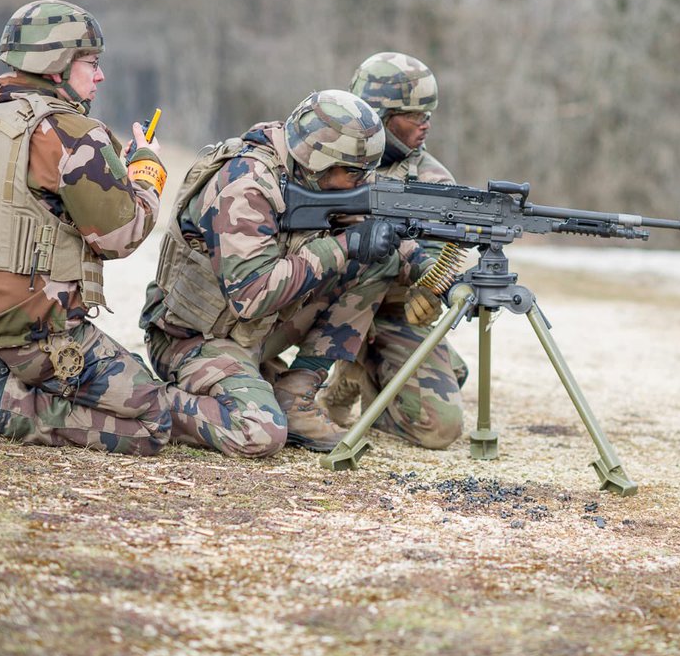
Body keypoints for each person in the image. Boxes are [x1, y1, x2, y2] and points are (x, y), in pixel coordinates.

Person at [0, 0, 217, 455]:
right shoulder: (73, 132)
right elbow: (122, 236)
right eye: (91, 63)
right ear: (56, 65)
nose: (99, 76)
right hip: (33, 330)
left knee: (125, 367)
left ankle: (3, 372)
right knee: (155, 418)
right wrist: (146, 174)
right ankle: (2, 401)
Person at [139, 89, 420, 454]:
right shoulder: (247, 184)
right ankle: (140, 400)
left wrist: (432, 272)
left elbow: (371, 221)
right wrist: (342, 246)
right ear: (318, 160)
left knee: (377, 261)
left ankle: (296, 395)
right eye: (354, 172)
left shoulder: (307, 171)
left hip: (250, 333)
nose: (362, 181)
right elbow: (251, 295)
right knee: (259, 431)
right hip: (192, 339)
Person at [319, 52, 468, 449]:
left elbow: (439, 258)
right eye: (415, 114)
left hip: (388, 311)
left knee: (440, 428)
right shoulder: (324, 157)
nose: (426, 123)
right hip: (316, 297)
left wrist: (434, 287)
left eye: (429, 113)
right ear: (380, 114)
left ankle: (362, 378)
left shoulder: (433, 179)